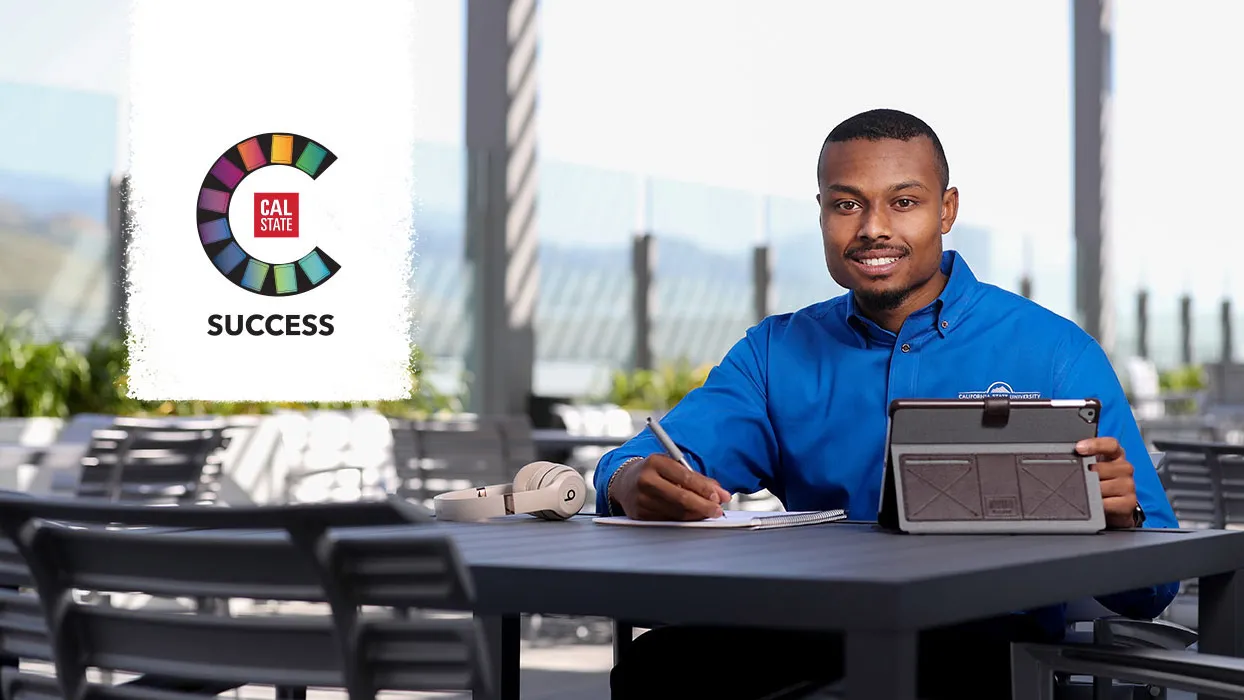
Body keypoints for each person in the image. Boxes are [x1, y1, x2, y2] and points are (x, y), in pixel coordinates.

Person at [593, 108, 1179, 699]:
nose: (873, 227)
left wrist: (1120, 524)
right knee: (656, 669)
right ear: (822, 213)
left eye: (903, 202)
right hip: (813, 623)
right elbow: (655, 453)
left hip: (983, 642)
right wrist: (632, 478)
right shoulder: (774, 352)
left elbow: (1154, 590)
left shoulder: (1056, 352)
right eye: (847, 205)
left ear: (946, 209)